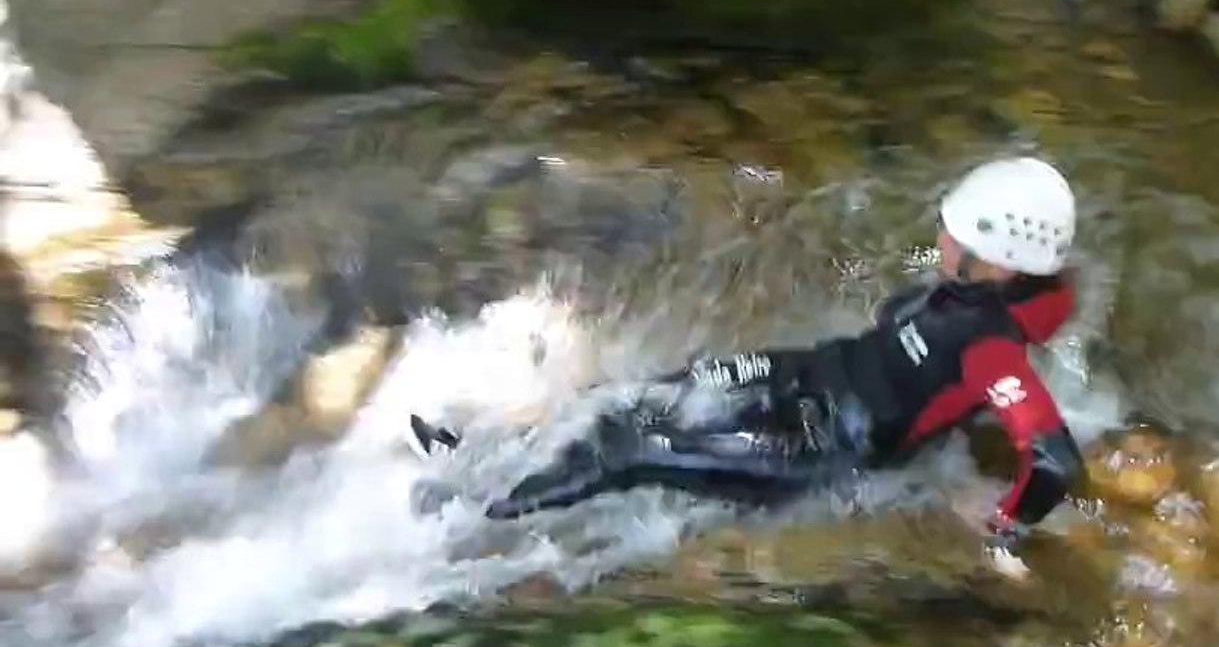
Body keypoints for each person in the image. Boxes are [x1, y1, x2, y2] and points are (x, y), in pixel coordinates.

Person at [410, 156, 1089, 559]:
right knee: (630, 399)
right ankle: (476, 455)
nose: (938, 236)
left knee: (634, 449)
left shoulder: (994, 351)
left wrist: (1002, 521)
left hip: (822, 445)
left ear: (998, 260)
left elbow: (1057, 460)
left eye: (955, 234)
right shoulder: (983, 289)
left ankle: (469, 517)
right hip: (809, 373)